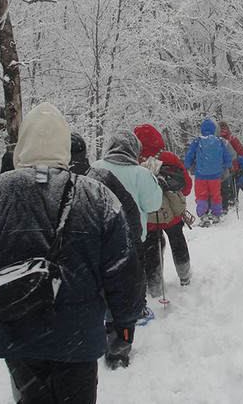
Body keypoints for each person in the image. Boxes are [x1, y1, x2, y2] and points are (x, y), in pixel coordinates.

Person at [0, 102, 145, 404]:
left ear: (22, 145)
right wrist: (124, 324)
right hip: (79, 336)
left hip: (18, 332)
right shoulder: (97, 197)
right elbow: (122, 267)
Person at [69, 132, 148, 369]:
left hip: (73, 264)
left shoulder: (45, 185)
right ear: (85, 154)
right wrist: (131, 247)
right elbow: (130, 212)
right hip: (107, 252)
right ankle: (117, 350)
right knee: (117, 299)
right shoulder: (101, 177)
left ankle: (79, 346)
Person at [133, 124, 193, 294]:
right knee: (177, 241)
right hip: (172, 214)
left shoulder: (134, 163)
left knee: (151, 248)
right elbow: (187, 186)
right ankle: (185, 275)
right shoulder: (169, 157)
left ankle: (154, 285)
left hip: (149, 217)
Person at [92, 128, 163, 245]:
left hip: (100, 236)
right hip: (133, 236)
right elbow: (153, 205)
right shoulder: (142, 173)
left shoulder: (95, 168)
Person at [184, 117, 232, 226]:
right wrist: (227, 164)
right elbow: (227, 155)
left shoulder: (198, 141)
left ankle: (203, 215)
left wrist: (186, 166)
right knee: (215, 195)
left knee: (201, 195)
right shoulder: (219, 141)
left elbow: (190, 155)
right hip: (215, 175)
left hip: (201, 175)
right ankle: (216, 214)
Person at [218, 121, 243, 214]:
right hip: (232, 168)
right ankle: (232, 207)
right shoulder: (231, 138)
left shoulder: (215, 138)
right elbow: (240, 151)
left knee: (221, 190)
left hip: (218, 169)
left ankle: (222, 208)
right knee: (233, 187)